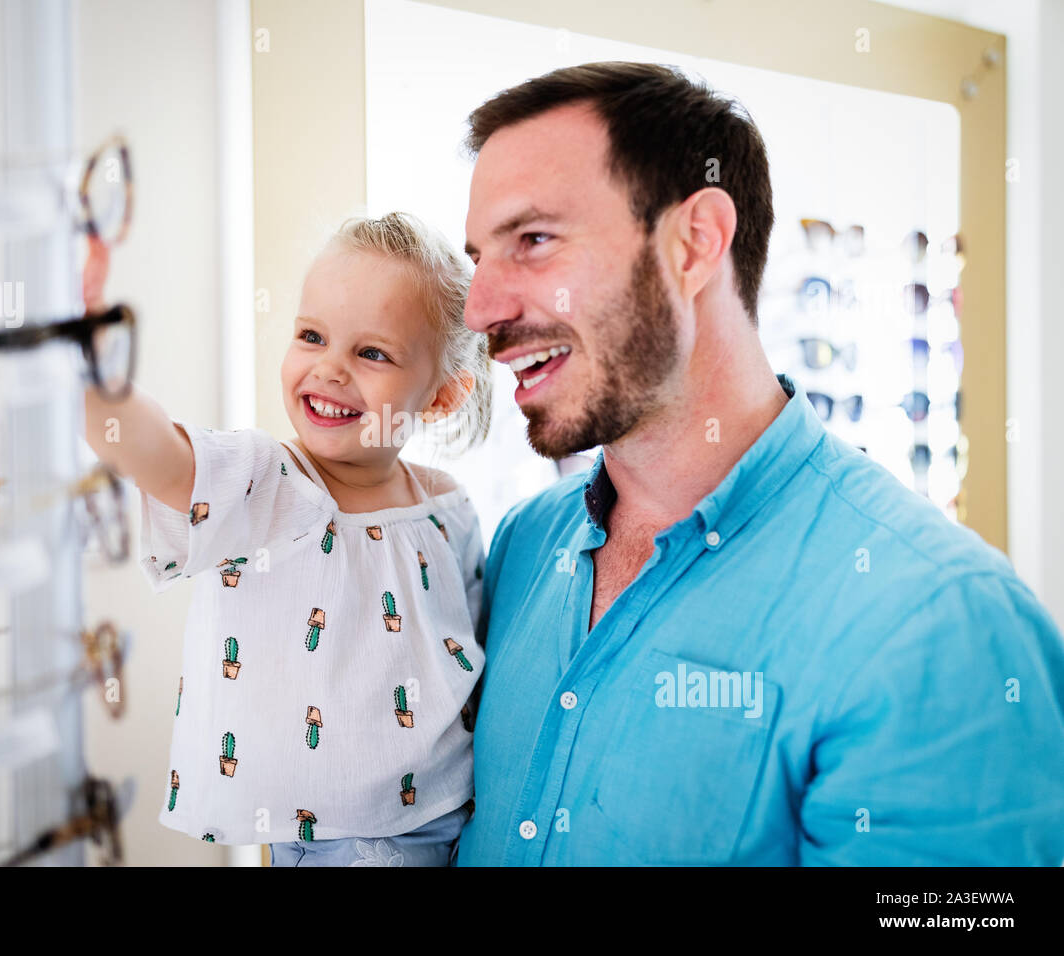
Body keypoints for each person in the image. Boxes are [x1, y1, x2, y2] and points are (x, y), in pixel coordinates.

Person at [453, 62, 1064, 866]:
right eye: (478, 259)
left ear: (695, 242)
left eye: (533, 241)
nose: (480, 311)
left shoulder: (941, 623)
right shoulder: (522, 549)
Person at [82, 212, 491, 865]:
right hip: (312, 835)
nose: (328, 368)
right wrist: (93, 361)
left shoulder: (447, 508)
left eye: (371, 352)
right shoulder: (268, 484)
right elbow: (158, 454)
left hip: (441, 821)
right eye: (311, 336)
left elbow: (467, 653)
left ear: (442, 396)